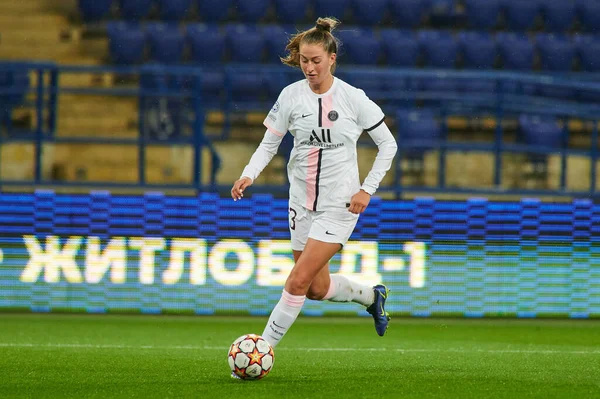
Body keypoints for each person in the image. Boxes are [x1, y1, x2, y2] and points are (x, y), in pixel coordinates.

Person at [230, 17, 398, 350]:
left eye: (315, 61)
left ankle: (261, 350)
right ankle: (370, 296)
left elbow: (388, 145)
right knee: (315, 289)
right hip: (300, 203)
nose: (309, 67)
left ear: (332, 59)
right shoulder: (290, 97)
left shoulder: (353, 99)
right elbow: (269, 143)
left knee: (297, 280)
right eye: (304, 60)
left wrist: (367, 189)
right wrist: (249, 173)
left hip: (339, 206)